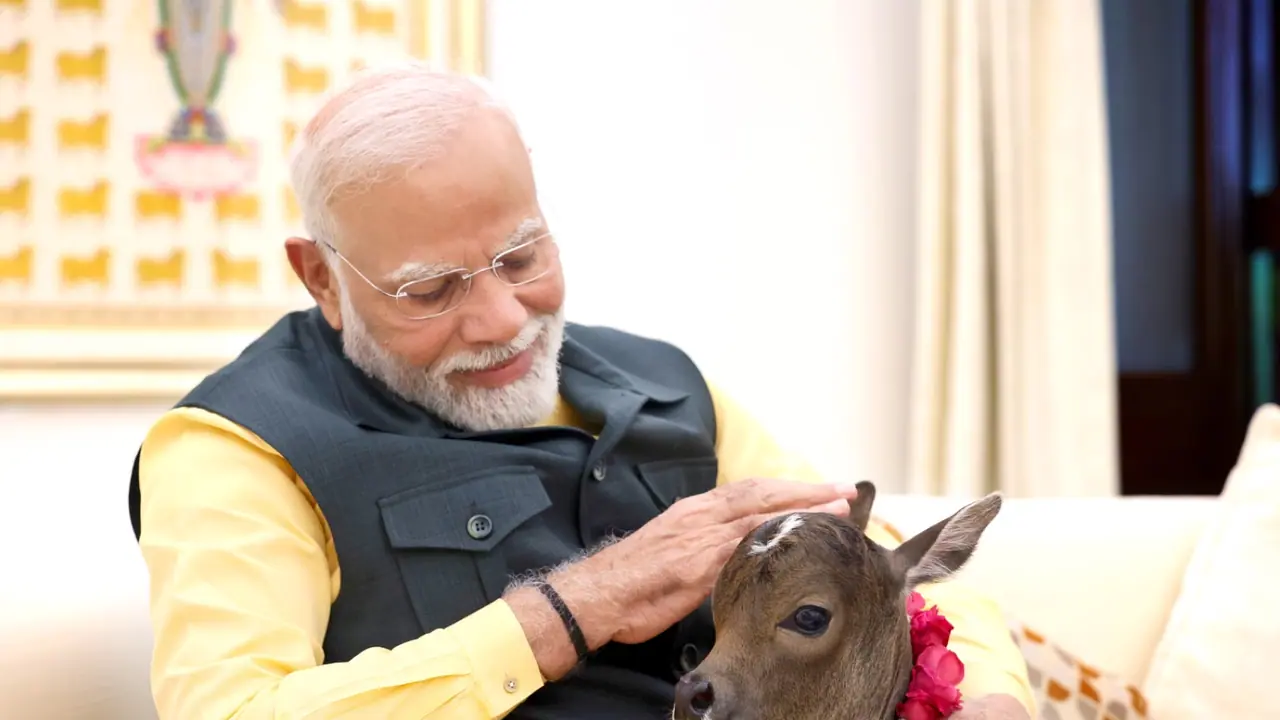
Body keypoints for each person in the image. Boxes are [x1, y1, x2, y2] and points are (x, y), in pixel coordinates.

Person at [128, 62, 1034, 720]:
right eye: (429, 288)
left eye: (521, 257)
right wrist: (575, 607)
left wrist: (990, 693)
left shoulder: (672, 387)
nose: (498, 319)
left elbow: (889, 577)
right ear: (320, 278)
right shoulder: (240, 448)